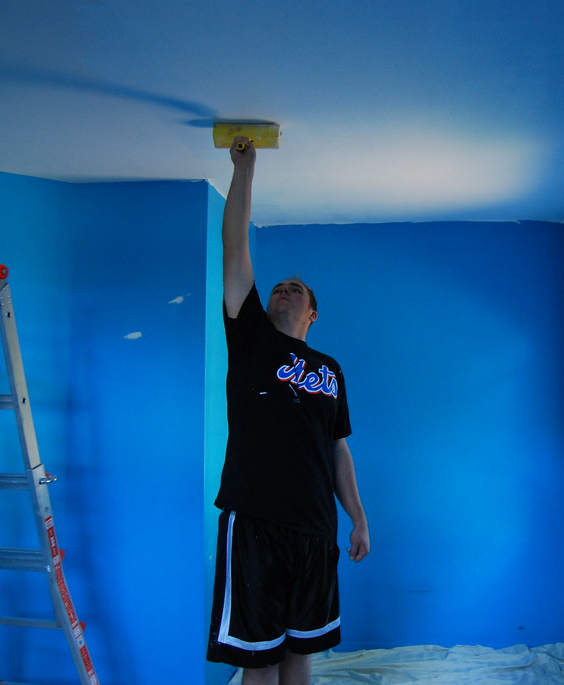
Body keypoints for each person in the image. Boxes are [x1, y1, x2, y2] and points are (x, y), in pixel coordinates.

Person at [207, 137, 370, 685]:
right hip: (255, 519)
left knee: (301, 652)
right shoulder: (249, 337)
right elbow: (235, 247)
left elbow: (338, 449)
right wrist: (244, 169)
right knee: (257, 657)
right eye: (278, 286)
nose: (283, 290)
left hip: (317, 528)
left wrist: (358, 517)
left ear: (313, 313)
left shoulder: (330, 369)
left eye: (295, 289)